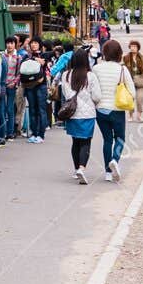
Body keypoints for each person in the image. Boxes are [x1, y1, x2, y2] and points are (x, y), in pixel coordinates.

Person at [91, 39, 136, 182]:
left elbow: (93, 89)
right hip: (117, 109)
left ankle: (107, 173)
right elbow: (133, 93)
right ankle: (115, 160)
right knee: (120, 138)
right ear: (119, 53)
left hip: (100, 109)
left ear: (104, 53)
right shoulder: (122, 69)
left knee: (107, 140)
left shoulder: (96, 69)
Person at [56, 48, 100, 185]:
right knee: (86, 141)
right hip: (87, 114)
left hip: (72, 113)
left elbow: (64, 93)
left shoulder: (66, 75)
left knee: (75, 142)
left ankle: (76, 169)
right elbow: (97, 96)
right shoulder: (90, 76)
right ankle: (82, 167)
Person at [18, 39, 47, 143]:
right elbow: (22, 66)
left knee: (41, 110)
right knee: (32, 110)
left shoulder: (44, 55)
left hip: (41, 86)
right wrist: (34, 58)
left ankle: (41, 134)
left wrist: (35, 58)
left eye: (36, 43)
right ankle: (34, 133)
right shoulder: (26, 56)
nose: (34, 45)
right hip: (29, 86)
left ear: (40, 45)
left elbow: (44, 62)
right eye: (32, 43)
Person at [0, 35, 20, 145]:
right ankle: (3, 132)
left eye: (12, 43)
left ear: (15, 44)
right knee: (2, 110)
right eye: (8, 43)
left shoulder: (18, 57)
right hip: (2, 85)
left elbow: (19, 73)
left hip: (11, 86)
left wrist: (13, 83)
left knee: (10, 109)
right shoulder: (1, 55)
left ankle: (10, 132)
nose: (9, 45)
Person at [123, 40, 143, 119]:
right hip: (129, 79)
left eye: (135, 46)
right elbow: (123, 68)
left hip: (139, 79)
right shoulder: (126, 57)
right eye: (131, 46)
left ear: (138, 48)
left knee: (140, 99)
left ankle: (139, 115)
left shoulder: (141, 57)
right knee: (130, 99)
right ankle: (130, 115)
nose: (133, 48)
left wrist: (142, 78)